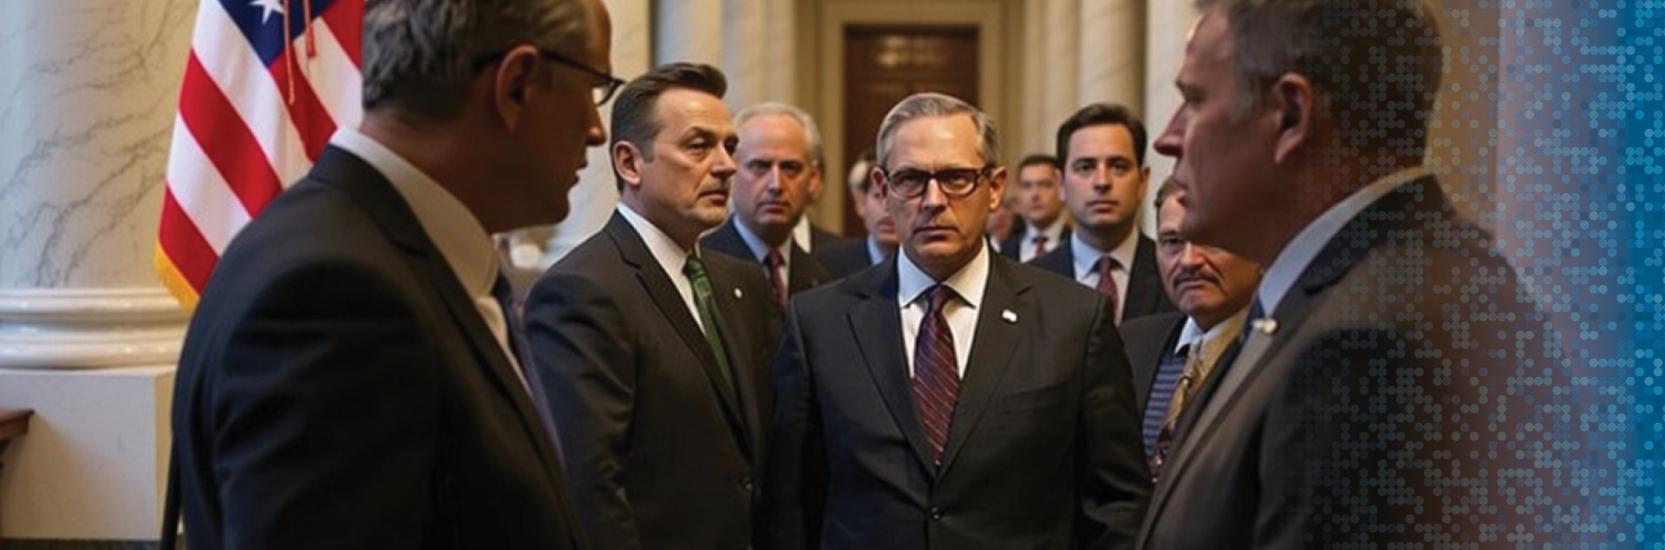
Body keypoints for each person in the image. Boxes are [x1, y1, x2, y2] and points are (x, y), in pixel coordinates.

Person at [168, 0, 610, 547]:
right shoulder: (337, 298)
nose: (596, 129)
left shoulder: (359, 247)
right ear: (516, 84)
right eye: (592, 89)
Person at [1136, 1, 1576, 547]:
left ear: (1291, 115)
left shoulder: (1371, 342)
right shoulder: (1347, 289)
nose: (1169, 137)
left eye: (1194, 101)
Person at [766, 92, 1151, 550]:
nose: (933, 200)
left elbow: (1116, 501)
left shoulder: (1072, 320)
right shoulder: (820, 322)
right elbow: (789, 504)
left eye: (956, 178)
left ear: (993, 188)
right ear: (883, 189)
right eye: (910, 179)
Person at [523, 62, 778, 550]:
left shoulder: (739, 281)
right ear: (629, 162)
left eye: (730, 146)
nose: (726, 165)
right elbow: (591, 487)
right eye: (699, 145)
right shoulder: (583, 290)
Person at [1117, 177, 1260, 479]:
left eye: (1211, 239)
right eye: (1172, 242)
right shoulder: (1131, 344)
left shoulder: (1279, 353)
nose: (1189, 260)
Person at [1031, 103, 1176, 325]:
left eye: (1118, 166)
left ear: (1142, 181)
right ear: (1060, 184)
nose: (1102, 182)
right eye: (1085, 167)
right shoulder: (1031, 283)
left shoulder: (1176, 272)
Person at [703, 102, 834, 308]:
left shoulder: (829, 274)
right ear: (730, 170)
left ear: (814, 178)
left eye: (790, 168)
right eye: (759, 167)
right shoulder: (701, 264)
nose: (776, 185)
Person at [818, 149, 897, 277]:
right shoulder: (829, 264)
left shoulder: (927, 265)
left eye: (895, 198)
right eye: (878, 196)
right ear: (861, 203)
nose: (886, 209)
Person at [999, 154, 1070, 261]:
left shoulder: (1078, 246)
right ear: (1017, 193)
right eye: (1027, 186)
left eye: (1044, 185)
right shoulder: (1003, 251)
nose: (1035, 194)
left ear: (1062, 189)